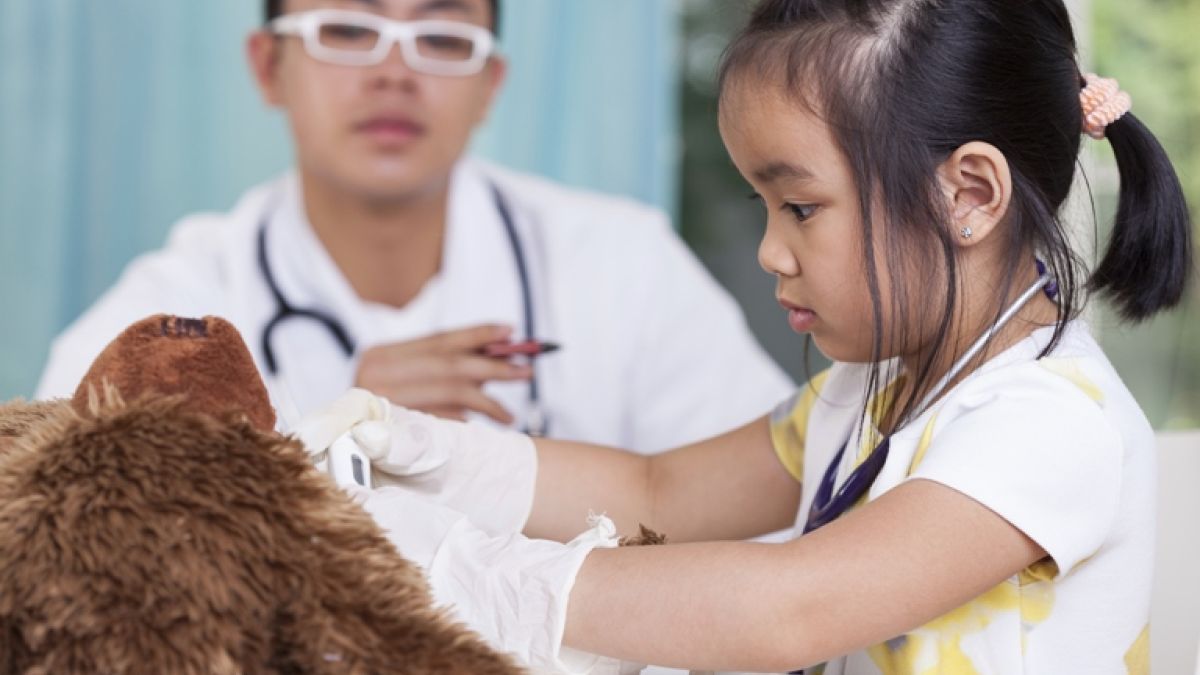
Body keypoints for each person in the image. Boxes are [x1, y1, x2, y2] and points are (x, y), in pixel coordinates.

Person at [319, 0, 1193, 672]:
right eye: (764, 207)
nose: (773, 250)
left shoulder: (1049, 424)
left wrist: (456, 572)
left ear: (968, 195)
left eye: (802, 208)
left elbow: (789, 609)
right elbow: (658, 493)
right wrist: (431, 455)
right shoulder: (874, 388)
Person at [35, 0, 792, 454]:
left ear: (490, 85)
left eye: (440, 38)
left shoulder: (621, 266)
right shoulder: (175, 309)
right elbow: (63, 534)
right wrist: (328, 433)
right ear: (269, 67)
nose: (394, 72)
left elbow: (779, 495)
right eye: (348, 29)